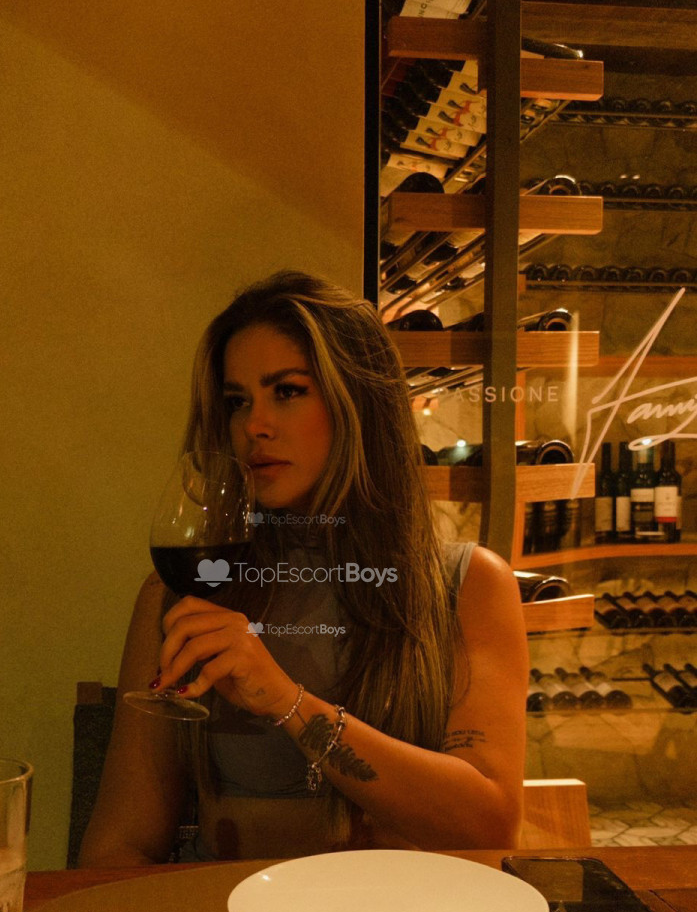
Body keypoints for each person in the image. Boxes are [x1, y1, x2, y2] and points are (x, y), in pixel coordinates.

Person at [78, 271, 528, 867]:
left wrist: (286, 701)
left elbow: (489, 825)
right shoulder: (180, 598)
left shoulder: (465, 585)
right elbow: (119, 848)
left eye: (286, 391)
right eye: (237, 402)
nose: (253, 426)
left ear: (358, 404)